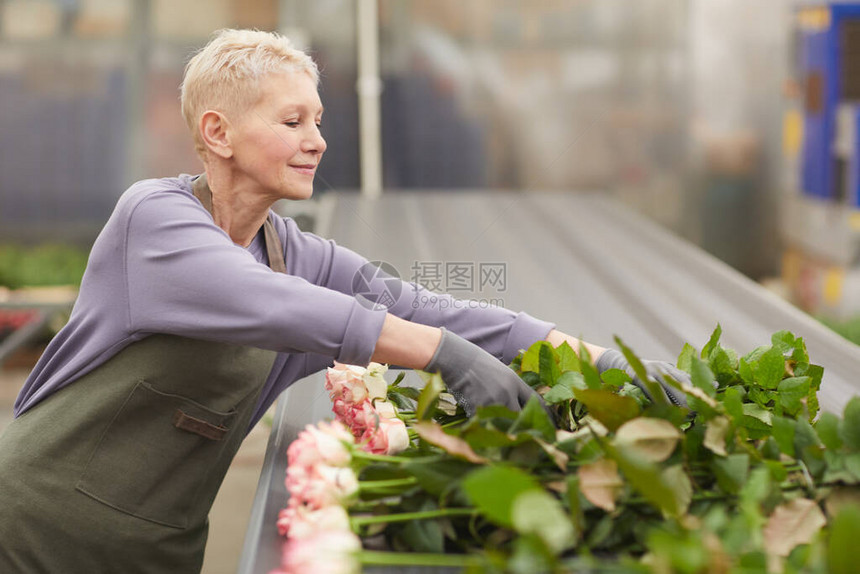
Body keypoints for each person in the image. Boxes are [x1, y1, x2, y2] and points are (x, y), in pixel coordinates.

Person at [0, 29, 690, 573]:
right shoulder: (152, 221)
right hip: (38, 532)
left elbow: (430, 309)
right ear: (218, 133)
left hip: (159, 545)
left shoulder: (293, 251)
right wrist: (440, 357)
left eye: (319, 120)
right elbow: (270, 304)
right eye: (293, 120)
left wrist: (602, 362)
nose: (317, 140)